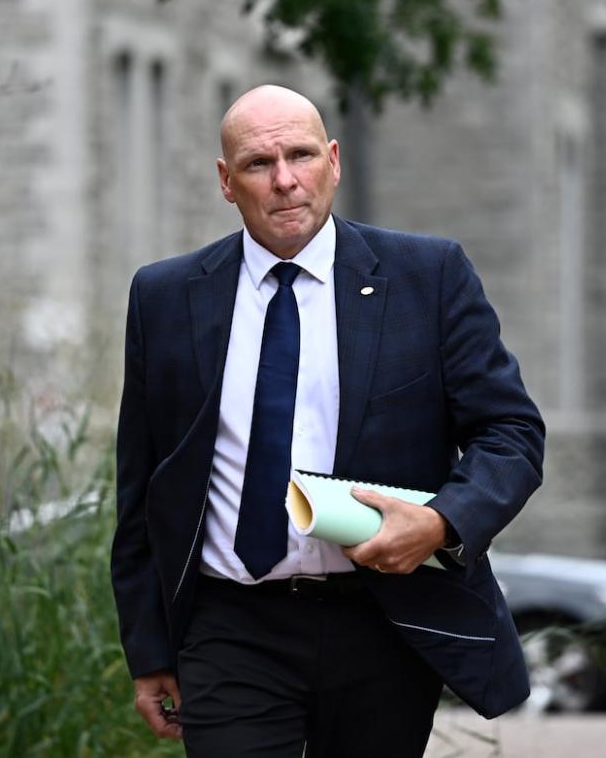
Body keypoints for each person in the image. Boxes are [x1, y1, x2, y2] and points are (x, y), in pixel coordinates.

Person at [110, 84, 545, 757]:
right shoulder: (166, 297)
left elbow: (511, 435)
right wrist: (147, 648)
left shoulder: (426, 278)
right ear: (226, 182)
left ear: (334, 161)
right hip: (231, 628)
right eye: (259, 163)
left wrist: (439, 523)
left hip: (382, 622)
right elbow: (141, 489)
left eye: (301, 155)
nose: (285, 180)